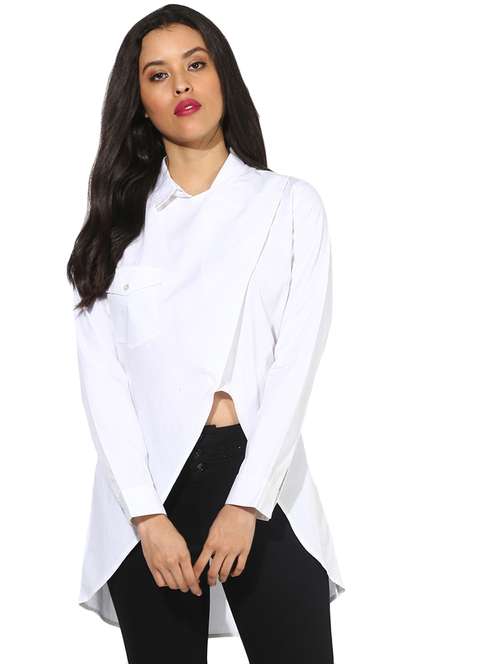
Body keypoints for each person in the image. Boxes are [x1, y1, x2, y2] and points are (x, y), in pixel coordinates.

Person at [67, 4, 345, 663]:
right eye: (158, 75)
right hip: (145, 499)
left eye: (195, 64)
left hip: (261, 476)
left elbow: (295, 365)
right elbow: (105, 388)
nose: (182, 84)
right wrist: (146, 516)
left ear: (223, 76)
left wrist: (247, 503)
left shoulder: (289, 205)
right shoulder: (116, 229)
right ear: (140, 103)